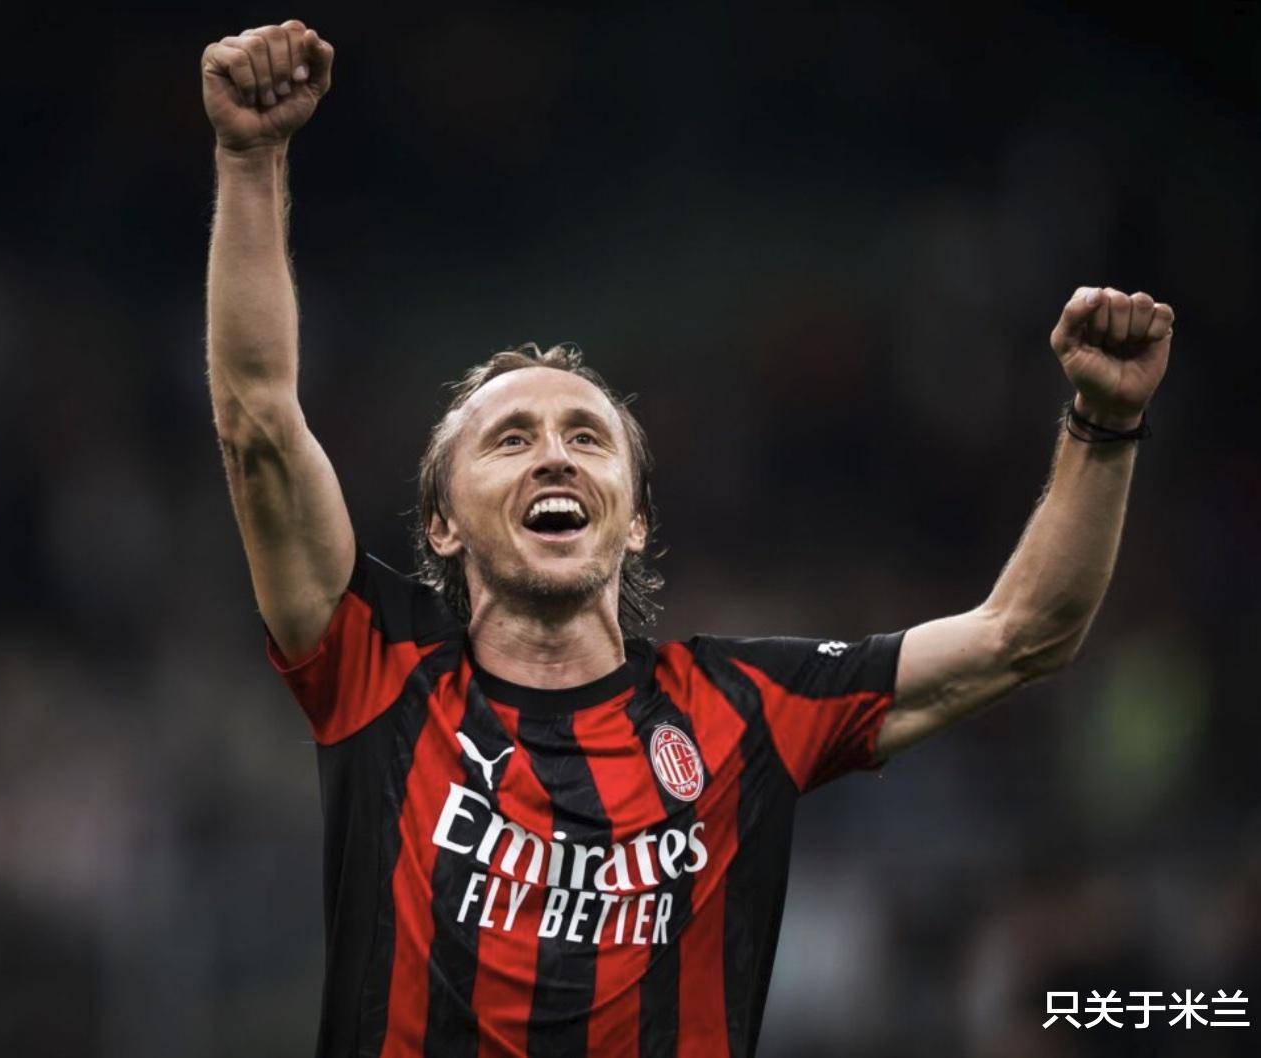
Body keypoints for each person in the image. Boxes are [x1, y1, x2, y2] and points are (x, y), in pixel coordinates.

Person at [200, 18, 1175, 1058]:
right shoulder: (378, 669)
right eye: (511, 438)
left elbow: (1027, 632)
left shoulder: (746, 708)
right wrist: (250, 160)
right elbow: (259, 422)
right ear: (440, 522)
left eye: (587, 437)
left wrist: (1104, 424)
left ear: (636, 521)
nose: (555, 457)